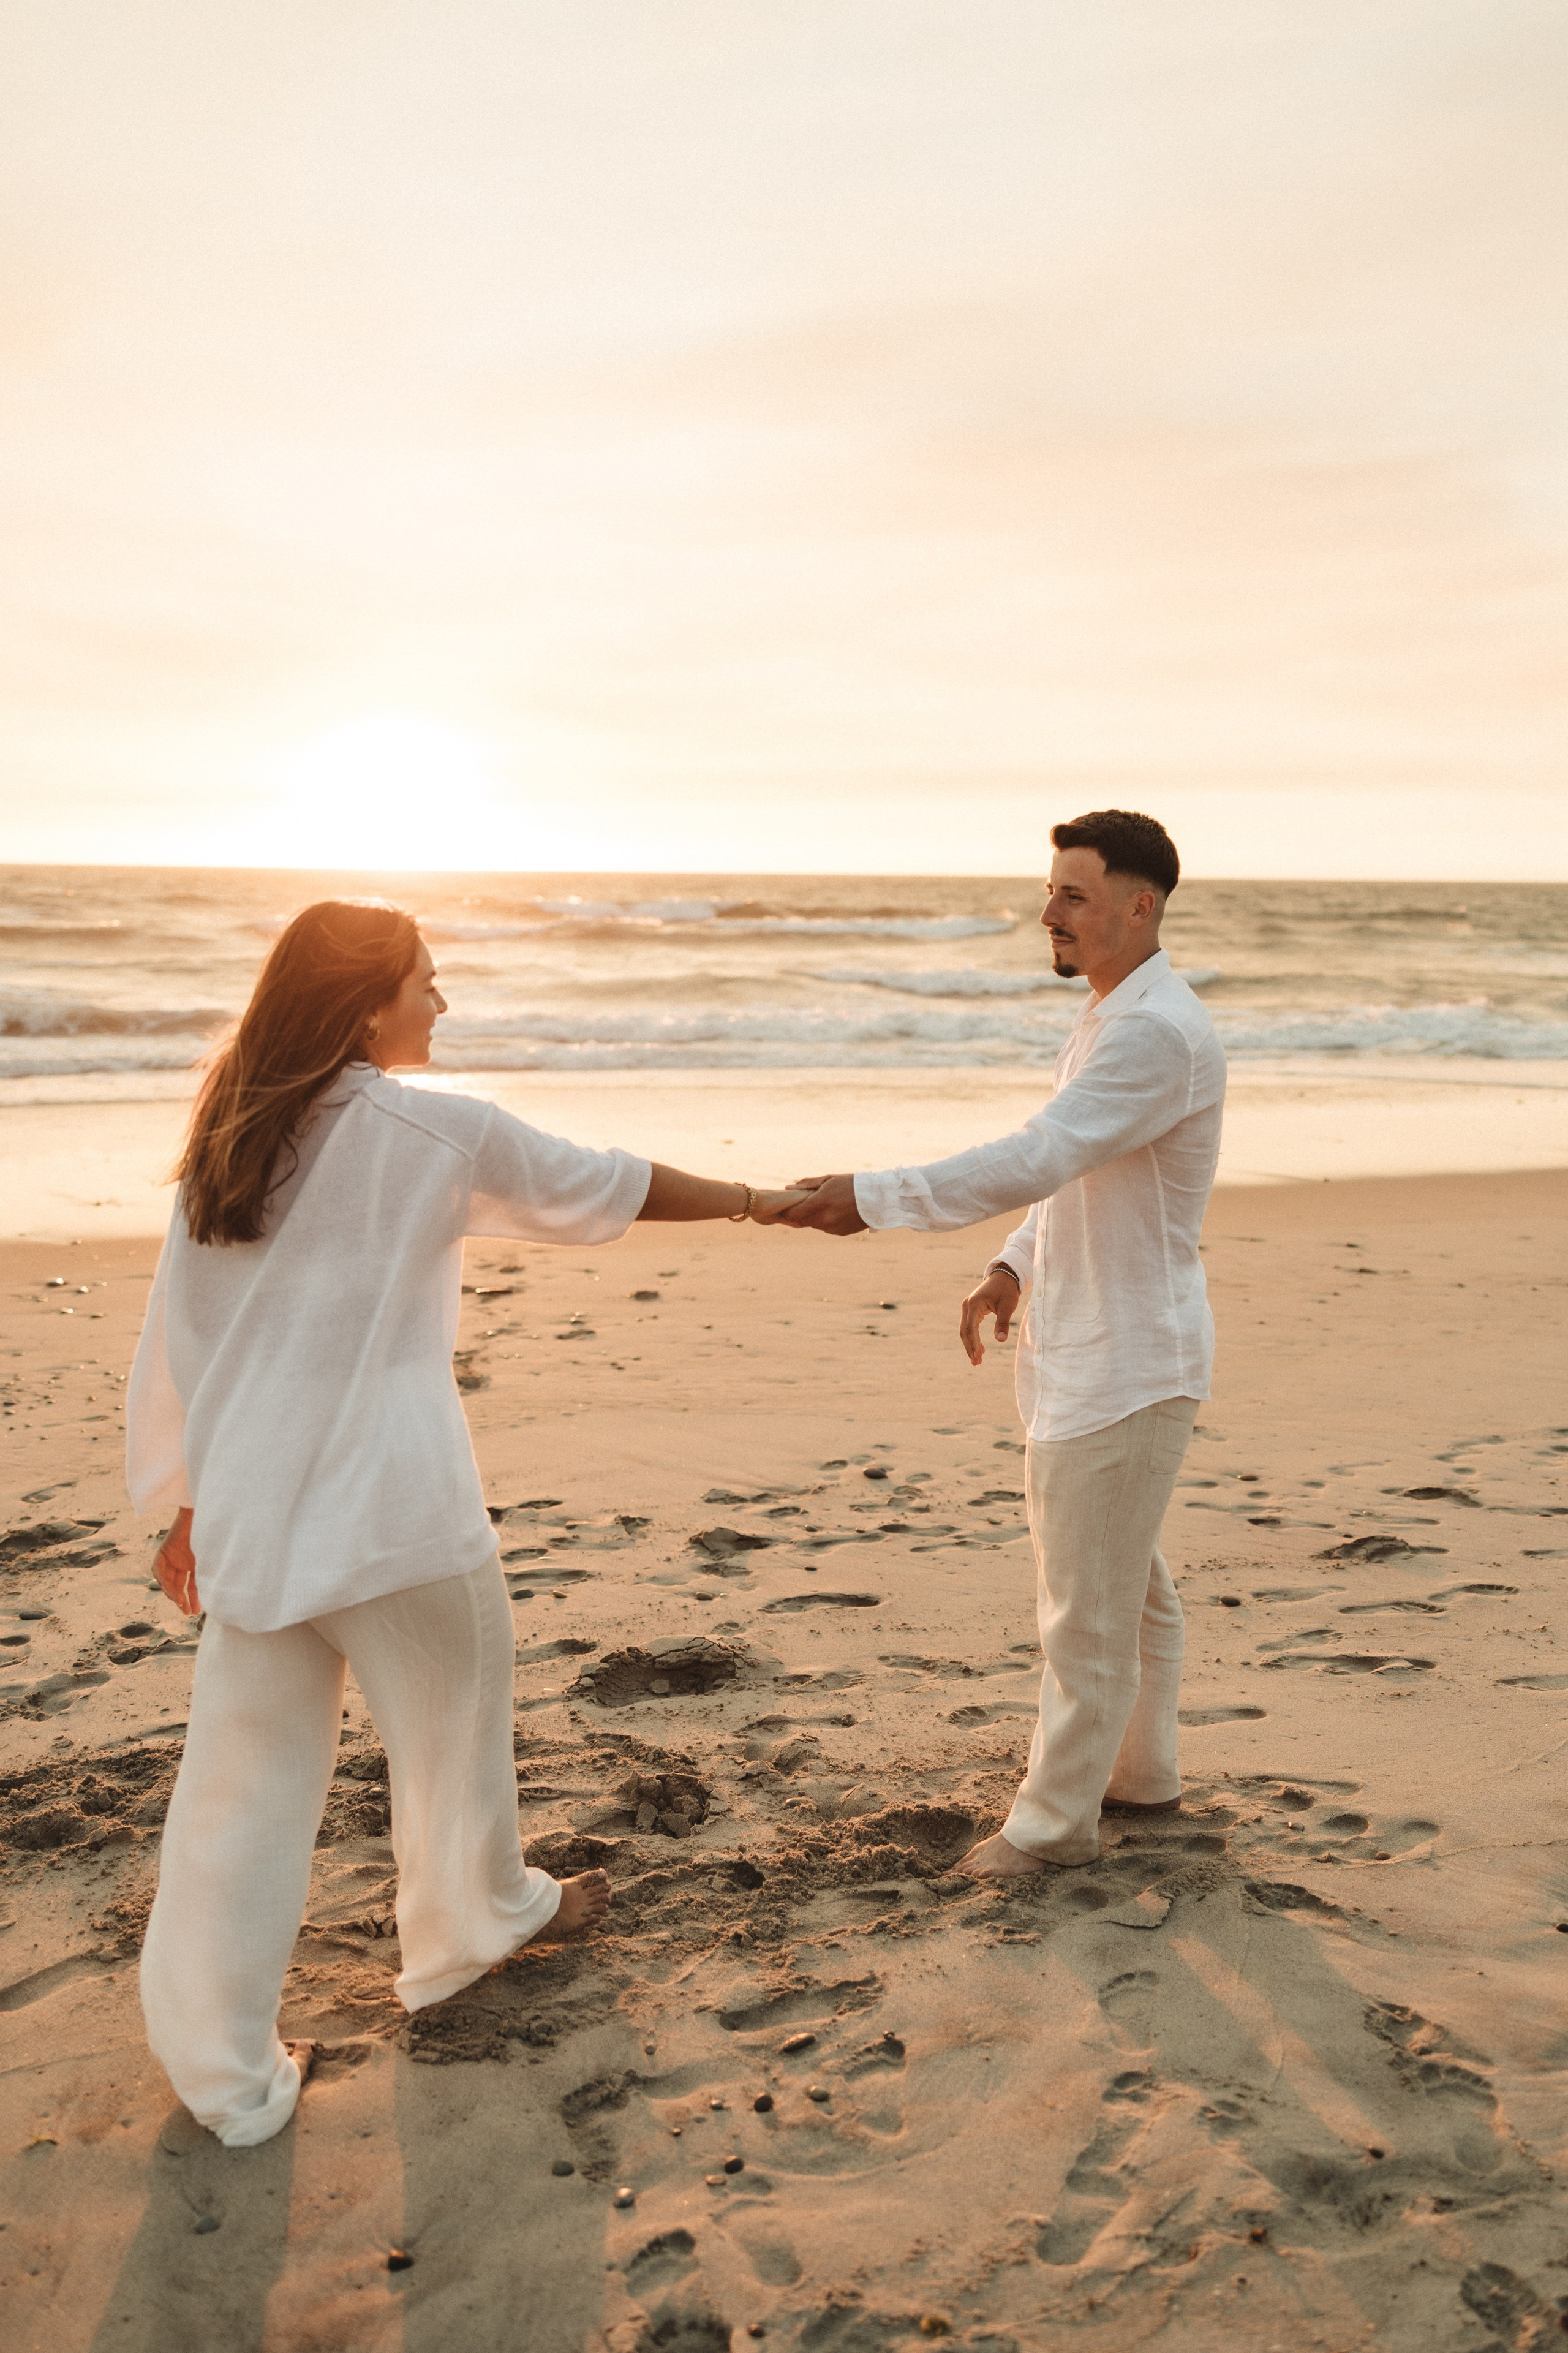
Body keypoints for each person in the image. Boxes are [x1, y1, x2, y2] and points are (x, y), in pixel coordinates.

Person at [127, 898, 804, 2147]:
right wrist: (759, 1198)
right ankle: (460, 1939)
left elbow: (186, 1341)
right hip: (396, 1515)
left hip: (256, 1516)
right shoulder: (432, 1127)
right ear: (364, 1006)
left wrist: (187, 1506)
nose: (442, 1002)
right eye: (426, 982)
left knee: (236, 1800)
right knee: (453, 1746)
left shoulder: (226, 1139)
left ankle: (223, 2078)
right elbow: (610, 1184)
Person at [778, 811, 1225, 1878]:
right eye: (1050, 890)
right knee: (1127, 1585)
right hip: (1100, 1345)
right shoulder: (1116, 1015)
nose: (1048, 912)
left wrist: (874, 1198)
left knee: (1086, 1611)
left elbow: (1039, 1151)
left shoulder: (1155, 1034)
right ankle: (1141, 1776)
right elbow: (1073, 1168)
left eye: (1073, 894)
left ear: (1139, 906)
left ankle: (1050, 1828)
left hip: (1128, 1361)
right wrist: (1014, 1265)